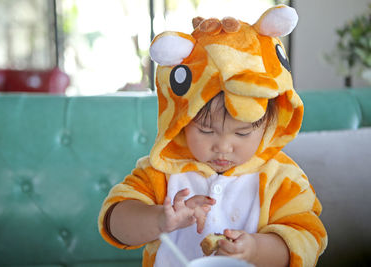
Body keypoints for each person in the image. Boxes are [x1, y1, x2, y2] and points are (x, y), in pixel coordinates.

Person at [98, 4, 327, 267]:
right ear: (180, 121)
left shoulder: (283, 179)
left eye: (242, 133)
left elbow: (308, 238)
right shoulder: (162, 171)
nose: (223, 147)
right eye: (206, 131)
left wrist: (254, 249)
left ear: (268, 126)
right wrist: (160, 219)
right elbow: (114, 222)